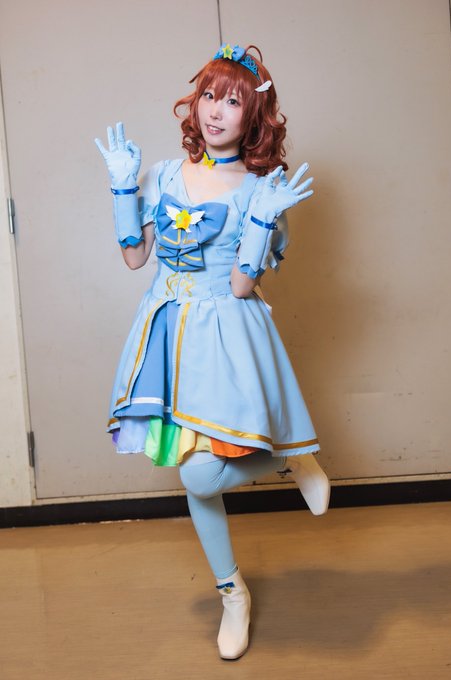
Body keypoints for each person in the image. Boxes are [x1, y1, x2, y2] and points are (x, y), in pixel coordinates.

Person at [95, 42, 330, 661]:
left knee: (201, 474)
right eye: (208, 95)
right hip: (168, 336)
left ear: (255, 116)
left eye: (233, 101)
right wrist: (122, 186)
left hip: (227, 336)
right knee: (196, 477)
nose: (217, 111)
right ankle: (233, 594)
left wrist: (262, 219)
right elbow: (134, 257)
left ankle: (290, 456)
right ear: (194, 103)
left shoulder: (262, 187)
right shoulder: (165, 175)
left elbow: (242, 285)